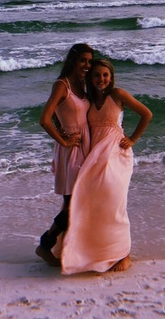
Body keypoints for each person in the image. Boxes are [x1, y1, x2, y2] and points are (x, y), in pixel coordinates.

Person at [61, 58, 152, 274]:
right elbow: (67, 113)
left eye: (105, 75)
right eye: (96, 75)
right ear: (90, 78)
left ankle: (124, 254)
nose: (101, 79)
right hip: (95, 155)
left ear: (111, 77)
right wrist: (64, 135)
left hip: (116, 154)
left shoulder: (117, 95)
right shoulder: (89, 100)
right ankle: (94, 251)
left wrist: (133, 139)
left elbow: (146, 114)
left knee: (114, 202)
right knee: (94, 204)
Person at [36, 43, 94, 266]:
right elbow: (44, 119)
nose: (87, 65)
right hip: (71, 151)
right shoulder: (62, 85)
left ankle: (71, 249)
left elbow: (66, 114)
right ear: (72, 60)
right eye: (82, 61)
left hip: (84, 148)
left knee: (78, 202)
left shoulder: (81, 83)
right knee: (74, 204)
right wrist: (64, 139)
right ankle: (45, 244)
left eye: (89, 61)